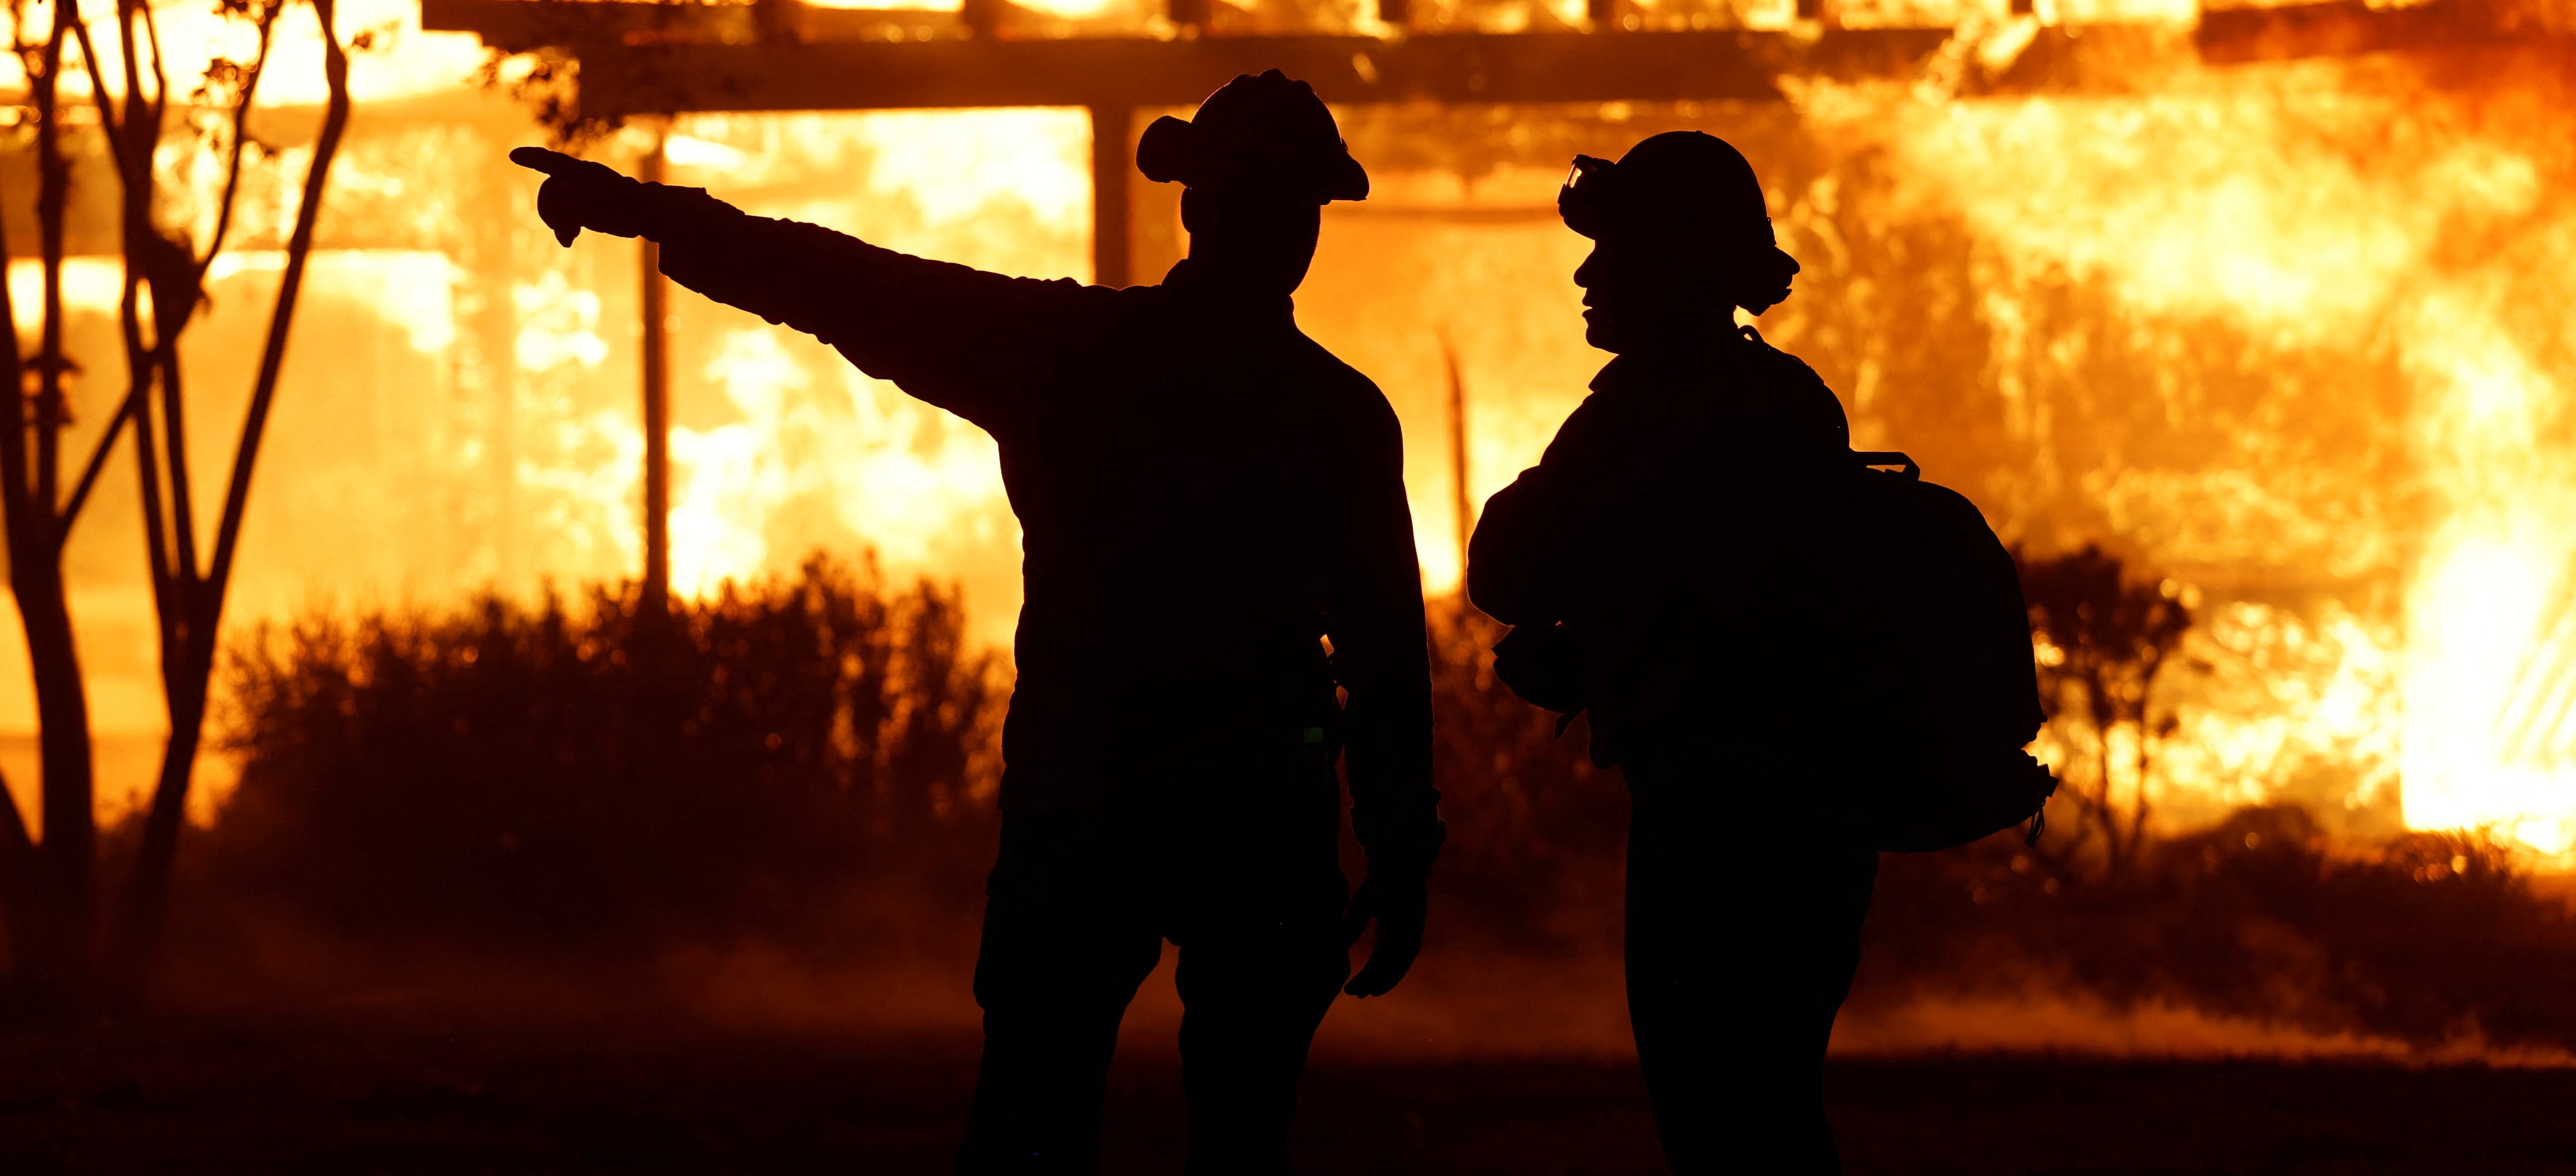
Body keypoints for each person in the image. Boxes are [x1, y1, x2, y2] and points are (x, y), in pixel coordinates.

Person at [513, 70, 1441, 1175]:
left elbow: (849, 284)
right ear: (1306, 226)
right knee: (1242, 1132)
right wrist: (1398, 842)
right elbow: (1384, 653)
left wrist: (665, 217)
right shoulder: (1336, 412)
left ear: (1192, 202)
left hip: (1085, 787)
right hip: (1256, 808)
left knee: (1031, 1123)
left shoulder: (1068, 352)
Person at [1465, 130, 1873, 1176]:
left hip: (1709, 820)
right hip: (1821, 818)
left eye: (1620, 253)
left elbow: (1507, 566)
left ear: (1681, 266)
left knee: (1714, 1118)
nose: (1589, 274)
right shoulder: (1795, 400)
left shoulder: (1644, 412)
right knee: (1779, 1108)